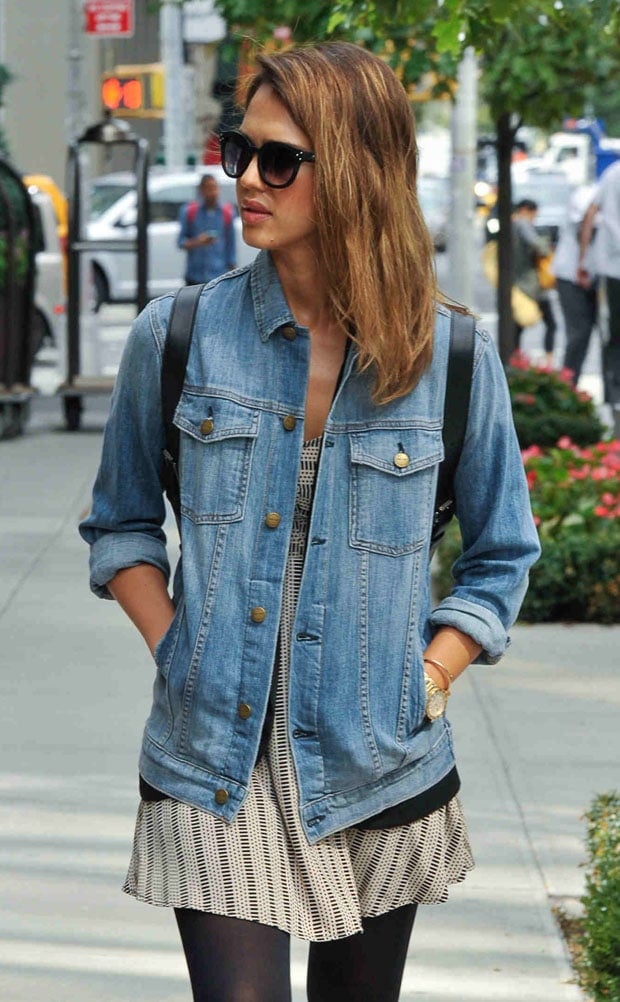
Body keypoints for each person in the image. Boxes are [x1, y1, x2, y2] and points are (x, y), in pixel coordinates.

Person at [80, 42, 540, 1002]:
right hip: (213, 753)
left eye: (279, 159)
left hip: (378, 754)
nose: (247, 177)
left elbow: (501, 556)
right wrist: (179, 650)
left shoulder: (451, 357)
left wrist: (431, 674)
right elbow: (120, 525)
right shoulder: (177, 337)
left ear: (358, 170)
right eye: (237, 150)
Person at [577, 160, 620, 415]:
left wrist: (584, 258)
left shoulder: (613, 173)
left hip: (612, 266)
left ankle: (613, 393)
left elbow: (591, 212)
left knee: (612, 333)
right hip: (611, 265)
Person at [553, 184, 598, 385]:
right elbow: (585, 223)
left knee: (601, 336)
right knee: (578, 334)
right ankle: (568, 386)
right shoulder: (587, 194)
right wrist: (582, 264)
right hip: (572, 276)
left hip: (597, 275)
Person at [512, 198, 556, 364]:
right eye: (533, 215)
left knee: (518, 327)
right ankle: (548, 360)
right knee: (551, 323)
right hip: (531, 284)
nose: (534, 219)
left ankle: (515, 359)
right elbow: (539, 246)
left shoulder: (511, 226)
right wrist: (546, 244)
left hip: (519, 283)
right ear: (525, 210)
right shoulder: (522, 224)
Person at [178, 174, 235, 284]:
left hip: (218, 275)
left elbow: (231, 246)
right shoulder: (190, 212)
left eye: (215, 188)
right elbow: (181, 242)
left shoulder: (227, 213)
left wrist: (232, 274)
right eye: (208, 188)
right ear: (201, 190)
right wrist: (198, 242)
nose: (213, 192)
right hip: (195, 275)